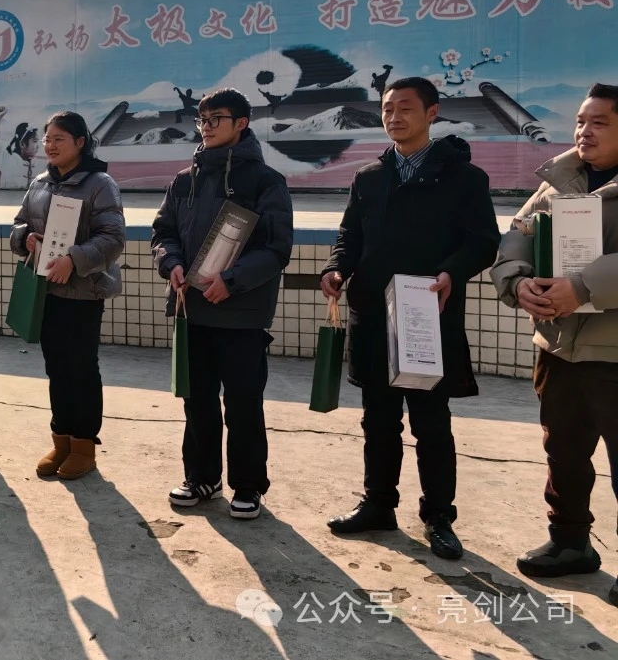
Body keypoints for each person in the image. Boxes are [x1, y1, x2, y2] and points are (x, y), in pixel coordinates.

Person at [321, 77, 499, 560]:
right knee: (378, 420)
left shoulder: (463, 177)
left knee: (431, 424)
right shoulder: (369, 176)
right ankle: (378, 504)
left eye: (405, 108)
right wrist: (336, 268)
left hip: (427, 316)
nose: (394, 117)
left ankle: (438, 517)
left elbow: (483, 242)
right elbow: (349, 235)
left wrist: (451, 273)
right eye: (387, 109)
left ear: (432, 113)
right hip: (373, 315)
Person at [491, 83, 618, 595]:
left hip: (613, 351)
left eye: (599, 122)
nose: (584, 131)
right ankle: (570, 542)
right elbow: (517, 234)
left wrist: (584, 287)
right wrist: (517, 281)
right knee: (563, 451)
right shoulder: (559, 180)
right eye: (581, 121)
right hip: (559, 347)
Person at [151, 88, 294, 519]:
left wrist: (231, 281)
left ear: (241, 123)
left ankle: (248, 486)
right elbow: (163, 233)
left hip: (241, 314)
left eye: (217, 119)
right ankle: (202, 477)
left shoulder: (265, 181)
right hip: (191, 309)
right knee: (197, 401)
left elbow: (276, 248)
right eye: (203, 120)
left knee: (243, 403)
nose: (207, 127)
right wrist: (171, 263)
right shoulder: (184, 180)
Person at [10, 111, 125, 480]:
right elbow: (20, 223)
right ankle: (61, 440)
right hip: (46, 290)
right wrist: (25, 238)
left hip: (83, 293)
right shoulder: (40, 183)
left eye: (59, 139)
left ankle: (83, 445)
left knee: (81, 368)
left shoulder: (100, 184)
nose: (50, 145)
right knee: (56, 368)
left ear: (80, 142)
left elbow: (113, 238)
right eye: (47, 139)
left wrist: (74, 260)